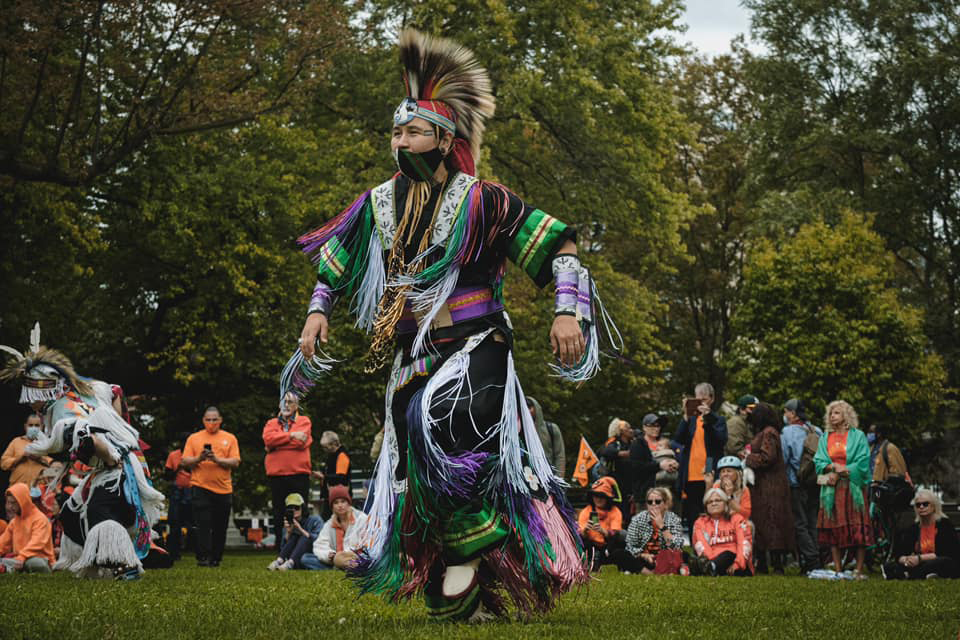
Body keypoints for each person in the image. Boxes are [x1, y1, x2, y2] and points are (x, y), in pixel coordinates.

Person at [284, 29, 606, 621]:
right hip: (415, 350)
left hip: (479, 341)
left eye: (412, 131)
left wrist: (567, 311)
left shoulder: (484, 200)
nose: (400, 141)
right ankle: (467, 577)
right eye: (395, 132)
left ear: (444, 138)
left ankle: (469, 560)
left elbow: (559, 243)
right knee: (415, 460)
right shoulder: (379, 204)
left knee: (441, 421)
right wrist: (316, 310)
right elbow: (335, 263)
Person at [0, 330, 164, 580]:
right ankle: (93, 562)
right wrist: (117, 428)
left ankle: (124, 565)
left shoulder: (63, 414)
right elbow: (114, 390)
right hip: (111, 466)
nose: (29, 404)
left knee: (100, 510)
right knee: (71, 513)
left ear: (41, 393)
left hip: (115, 467)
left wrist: (111, 456)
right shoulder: (83, 393)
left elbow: (89, 436)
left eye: (31, 398)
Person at [814, 400, 873, 579]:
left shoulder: (858, 436)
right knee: (833, 527)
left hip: (852, 487)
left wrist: (845, 470)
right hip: (832, 489)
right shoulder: (825, 437)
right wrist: (832, 468)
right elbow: (819, 460)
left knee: (857, 526)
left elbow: (864, 460)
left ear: (846, 415)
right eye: (831, 413)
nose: (833, 416)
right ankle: (838, 569)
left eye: (837, 413)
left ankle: (858, 569)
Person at [181, 407, 241, 568]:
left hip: (223, 489)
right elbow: (184, 461)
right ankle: (203, 557)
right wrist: (199, 458)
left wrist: (217, 460)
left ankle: (216, 557)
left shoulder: (229, 438)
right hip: (200, 486)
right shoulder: (194, 438)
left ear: (220, 420)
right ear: (203, 420)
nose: (211, 423)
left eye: (214, 419)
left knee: (220, 526)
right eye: (208, 419)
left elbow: (235, 462)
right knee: (203, 524)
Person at [744, 403, 794, 574]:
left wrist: (748, 458)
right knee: (765, 523)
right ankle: (764, 563)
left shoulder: (769, 433)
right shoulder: (767, 432)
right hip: (765, 486)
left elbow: (768, 457)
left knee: (772, 524)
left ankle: (776, 564)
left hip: (770, 486)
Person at [674, 383, 728, 533]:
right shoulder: (691, 420)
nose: (701, 403)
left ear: (712, 399)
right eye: (697, 400)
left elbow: (720, 440)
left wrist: (708, 419)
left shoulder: (718, 420)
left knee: (712, 512)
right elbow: (678, 439)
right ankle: (695, 544)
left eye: (704, 399)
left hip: (709, 472)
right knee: (693, 516)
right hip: (691, 474)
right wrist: (685, 416)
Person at [263, 392, 312, 548]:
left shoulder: (304, 421)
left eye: (290, 402)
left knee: (301, 510)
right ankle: (281, 546)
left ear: (296, 406)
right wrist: (292, 435)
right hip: (277, 474)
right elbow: (268, 440)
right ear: (279, 404)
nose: (286, 405)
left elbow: (301, 442)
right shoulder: (271, 423)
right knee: (279, 511)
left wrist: (276, 444)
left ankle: (302, 545)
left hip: (299, 473)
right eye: (284, 402)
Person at [781, 398, 822, 572]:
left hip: (796, 482)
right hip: (815, 482)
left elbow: (784, 459)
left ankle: (811, 560)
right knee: (812, 521)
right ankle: (816, 557)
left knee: (800, 524)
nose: (784, 415)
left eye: (786, 412)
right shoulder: (816, 430)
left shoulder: (787, 432)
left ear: (793, 413)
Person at [882, 488, 959, 580]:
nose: (921, 507)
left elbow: (946, 552)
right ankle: (922, 575)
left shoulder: (944, 525)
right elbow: (900, 553)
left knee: (942, 562)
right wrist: (906, 560)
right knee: (890, 565)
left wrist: (919, 558)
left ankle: (908, 575)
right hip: (920, 563)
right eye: (918, 505)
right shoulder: (914, 528)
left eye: (925, 504)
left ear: (933, 506)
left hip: (939, 561)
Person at [612, 487, 684, 574]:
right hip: (644, 558)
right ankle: (649, 573)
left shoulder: (674, 519)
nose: (653, 504)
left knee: (683, 555)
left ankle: (651, 570)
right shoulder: (638, 519)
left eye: (657, 502)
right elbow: (630, 546)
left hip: (664, 557)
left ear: (666, 504)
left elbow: (676, 546)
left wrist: (662, 526)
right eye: (650, 502)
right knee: (618, 554)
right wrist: (643, 555)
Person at [302, 485, 369, 571]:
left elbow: (367, 542)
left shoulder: (361, 518)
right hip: (336, 559)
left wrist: (349, 554)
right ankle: (342, 566)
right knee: (306, 558)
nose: (340, 505)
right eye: (336, 503)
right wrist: (329, 555)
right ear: (332, 507)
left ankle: (344, 566)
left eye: (343, 501)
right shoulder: (329, 524)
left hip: (356, 557)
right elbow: (320, 545)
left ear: (348, 503)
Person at [691, 488, 753, 576]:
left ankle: (708, 568)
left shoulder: (737, 519)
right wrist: (713, 561)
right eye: (710, 502)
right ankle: (710, 567)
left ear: (725, 503)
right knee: (688, 556)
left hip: (734, 561)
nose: (714, 503)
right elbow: (701, 545)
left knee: (727, 554)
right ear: (706, 506)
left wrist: (737, 564)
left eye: (718, 500)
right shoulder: (700, 523)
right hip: (711, 560)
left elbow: (744, 543)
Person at [0, 483, 54, 574]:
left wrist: (22, 557)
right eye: (8, 502)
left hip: (41, 560)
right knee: (12, 561)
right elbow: (3, 543)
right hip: (19, 560)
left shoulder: (40, 519)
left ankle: (9, 568)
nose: (9, 507)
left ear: (23, 501)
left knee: (33, 562)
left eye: (13, 503)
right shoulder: (14, 521)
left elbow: (37, 543)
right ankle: (10, 568)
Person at [628, 414, 677, 506]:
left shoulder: (666, 443)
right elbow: (636, 467)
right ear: (644, 427)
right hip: (646, 495)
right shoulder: (638, 444)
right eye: (652, 425)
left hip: (669, 494)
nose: (656, 428)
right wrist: (659, 466)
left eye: (658, 426)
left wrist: (674, 464)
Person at [267, 493, 324, 570]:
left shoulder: (315, 520)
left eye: (296, 507)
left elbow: (319, 540)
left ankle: (290, 563)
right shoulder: (288, 524)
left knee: (304, 537)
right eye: (290, 508)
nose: (294, 510)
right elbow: (283, 548)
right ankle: (279, 561)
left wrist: (300, 529)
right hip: (294, 557)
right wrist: (288, 532)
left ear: (302, 508)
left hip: (310, 555)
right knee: (294, 536)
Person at [577, 476, 624, 570]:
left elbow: (616, 534)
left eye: (602, 496)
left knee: (623, 535)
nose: (598, 499)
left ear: (607, 498)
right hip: (590, 546)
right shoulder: (586, 511)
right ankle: (589, 562)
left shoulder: (615, 511)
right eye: (596, 496)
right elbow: (580, 535)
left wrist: (603, 531)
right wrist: (585, 530)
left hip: (609, 546)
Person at [163, 433, 193, 561]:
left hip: (192, 490)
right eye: (183, 442)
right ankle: (175, 552)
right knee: (175, 523)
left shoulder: (195, 455)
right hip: (177, 491)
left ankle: (194, 548)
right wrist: (179, 468)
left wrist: (188, 467)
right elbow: (167, 475)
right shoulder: (173, 455)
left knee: (193, 523)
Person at [1, 413, 52, 488]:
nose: (33, 428)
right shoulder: (16, 441)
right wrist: (20, 458)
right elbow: (3, 463)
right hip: (17, 488)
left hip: (39, 488)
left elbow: (56, 465)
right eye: (30, 425)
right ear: (25, 426)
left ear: (42, 427)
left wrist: (40, 459)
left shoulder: (48, 443)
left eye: (37, 425)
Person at [599, 418, 635, 509]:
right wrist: (622, 454)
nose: (631, 430)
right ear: (620, 430)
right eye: (627, 427)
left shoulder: (634, 443)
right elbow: (604, 451)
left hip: (632, 486)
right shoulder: (614, 443)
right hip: (617, 486)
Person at [526, 396, 566, 477]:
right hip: (526, 476)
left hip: (549, 476)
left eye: (529, 407)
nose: (527, 410)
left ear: (536, 408)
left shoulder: (551, 429)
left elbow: (560, 456)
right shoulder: (518, 431)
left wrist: (559, 478)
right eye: (524, 407)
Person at [712, 456, 751, 520]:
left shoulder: (744, 489)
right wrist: (708, 484)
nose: (725, 474)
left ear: (737, 473)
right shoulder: (717, 486)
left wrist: (729, 497)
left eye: (729, 471)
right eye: (723, 471)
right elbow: (711, 509)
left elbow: (746, 514)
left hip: (737, 521)